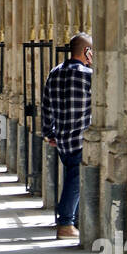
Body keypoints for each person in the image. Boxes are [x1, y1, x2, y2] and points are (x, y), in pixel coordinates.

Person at [41, 32, 93, 239]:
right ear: (87, 51)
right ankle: (65, 223)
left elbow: (45, 106)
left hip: (61, 139)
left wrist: (48, 133)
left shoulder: (54, 72)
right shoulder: (88, 75)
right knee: (74, 179)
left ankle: (71, 219)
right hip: (81, 138)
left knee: (73, 178)